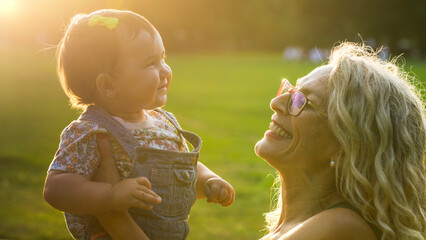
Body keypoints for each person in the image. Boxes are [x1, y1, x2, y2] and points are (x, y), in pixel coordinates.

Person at [43, 9, 235, 240]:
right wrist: (111, 195)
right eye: (150, 64)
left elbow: (183, 169)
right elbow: (56, 188)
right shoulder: (90, 131)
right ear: (108, 85)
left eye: (162, 58)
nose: (165, 70)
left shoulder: (164, 123)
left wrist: (209, 181)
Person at [255, 42, 425, 240]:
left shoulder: (340, 227)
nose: (276, 103)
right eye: (291, 91)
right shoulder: (298, 223)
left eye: (304, 102)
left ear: (347, 146)